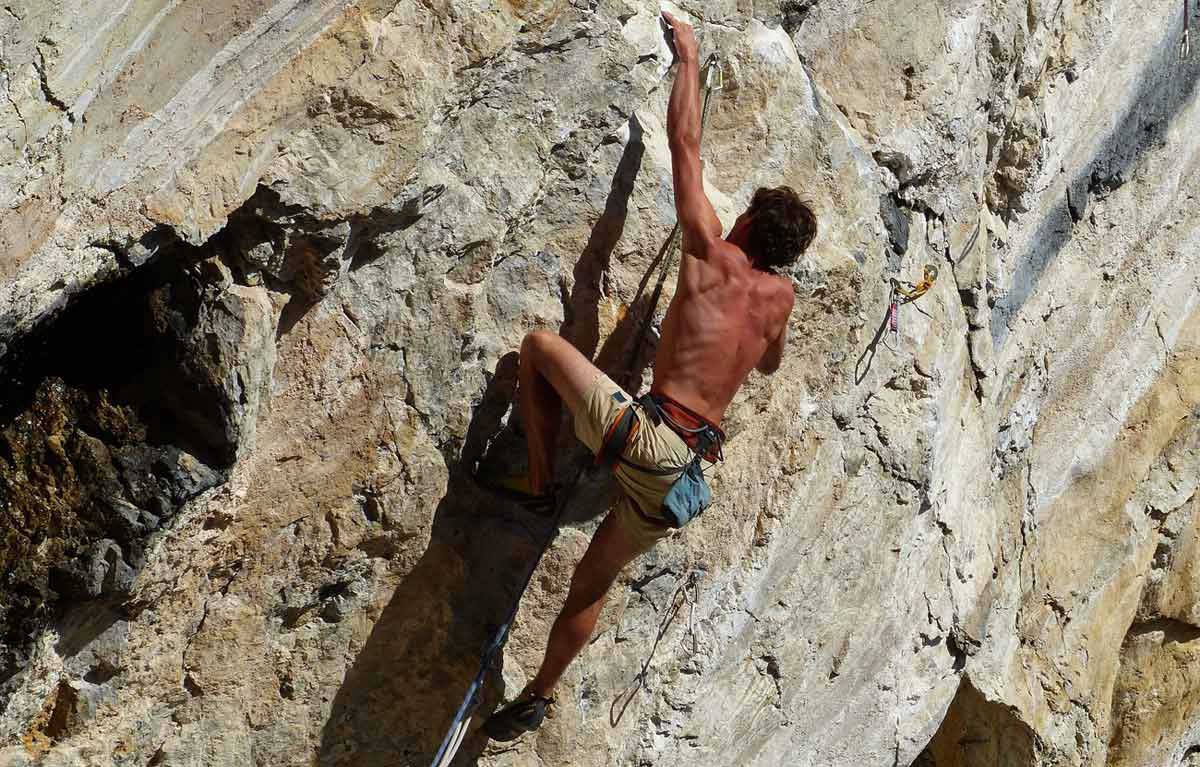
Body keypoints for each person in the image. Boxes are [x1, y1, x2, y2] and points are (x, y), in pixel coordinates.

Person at [482, 11, 817, 741]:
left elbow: (684, 144)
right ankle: (538, 694)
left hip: (649, 436)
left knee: (540, 346)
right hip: (682, 481)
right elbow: (770, 360)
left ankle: (539, 487)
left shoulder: (709, 250)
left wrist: (689, 56)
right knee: (588, 587)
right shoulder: (780, 300)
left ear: (750, 224)